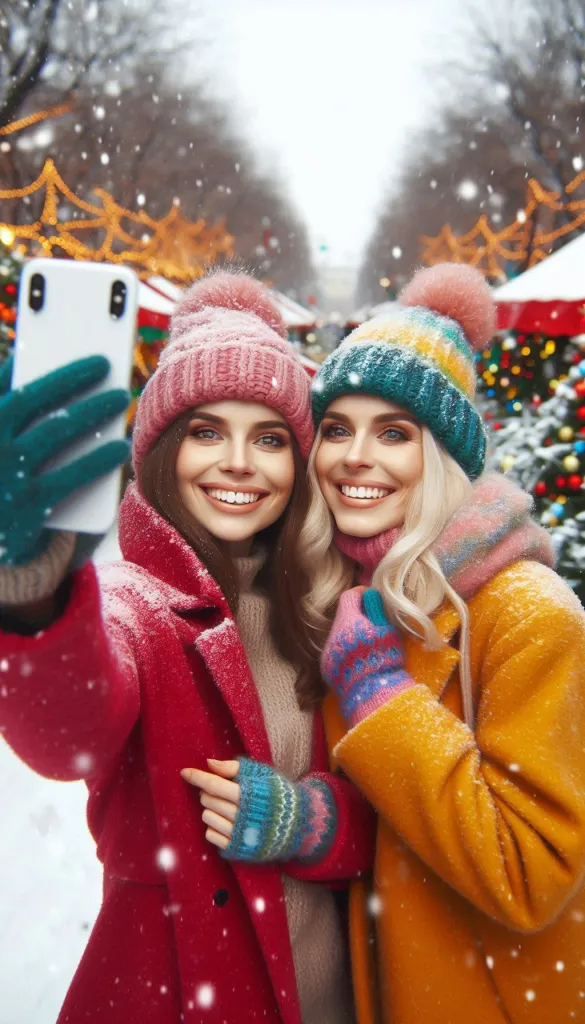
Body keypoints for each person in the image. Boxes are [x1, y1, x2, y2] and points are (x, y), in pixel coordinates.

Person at [0, 271, 375, 1024]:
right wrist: (33, 596)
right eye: (206, 431)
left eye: (268, 438)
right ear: (161, 450)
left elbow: (389, 817)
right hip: (181, 993)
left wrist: (310, 823)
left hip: (335, 995)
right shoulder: (136, 603)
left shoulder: (329, 609)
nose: (239, 462)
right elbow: (68, 737)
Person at [300, 261, 585, 1024]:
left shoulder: (528, 612)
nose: (353, 456)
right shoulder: (351, 601)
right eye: (335, 428)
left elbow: (530, 871)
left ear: (443, 456)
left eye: (393, 432)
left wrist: (381, 696)